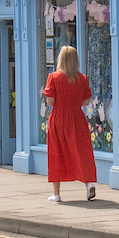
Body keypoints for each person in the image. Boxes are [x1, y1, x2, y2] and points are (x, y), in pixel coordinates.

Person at [43, 45, 97, 205]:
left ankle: (56, 194)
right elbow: (86, 101)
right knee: (81, 150)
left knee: (56, 152)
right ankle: (89, 184)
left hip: (59, 117)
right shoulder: (82, 78)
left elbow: (51, 101)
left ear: (61, 59)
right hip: (77, 117)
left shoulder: (53, 77)